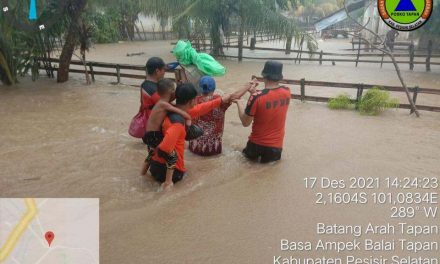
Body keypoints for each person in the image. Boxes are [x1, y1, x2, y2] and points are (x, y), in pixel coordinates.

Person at [149, 83, 233, 190]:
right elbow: (165, 149)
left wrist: (221, 100)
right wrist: (168, 182)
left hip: (154, 166)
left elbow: (203, 107)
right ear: (192, 101)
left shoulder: (170, 110)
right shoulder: (178, 123)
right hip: (172, 173)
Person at [234, 60, 291, 163]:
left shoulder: (256, 97)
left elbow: (245, 122)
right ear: (280, 77)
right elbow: (270, 100)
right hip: (275, 147)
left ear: (264, 76)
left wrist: (239, 103)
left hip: (255, 145)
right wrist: (254, 93)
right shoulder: (287, 92)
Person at [189, 76, 257, 156]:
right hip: (213, 148)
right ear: (214, 88)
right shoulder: (220, 100)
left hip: (195, 146)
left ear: (200, 88)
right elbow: (235, 95)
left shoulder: (193, 101)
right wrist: (249, 85)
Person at [140, 79, 192, 176]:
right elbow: (178, 110)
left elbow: (174, 106)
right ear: (172, 92)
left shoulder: (160, 103)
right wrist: (188, 117)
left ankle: (142, 173)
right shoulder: (164, 105)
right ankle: (168, 183)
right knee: (172, 156)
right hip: (154, 135)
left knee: (151, 154)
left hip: (149, 135)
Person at [140, 57, 167, 144]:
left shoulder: (146, 84)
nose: (164, 73)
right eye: (163, 70)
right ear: (157, 71)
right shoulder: (152, 89)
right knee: (162, 155)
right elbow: (165, 104)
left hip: (148, 127)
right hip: (155, 130)